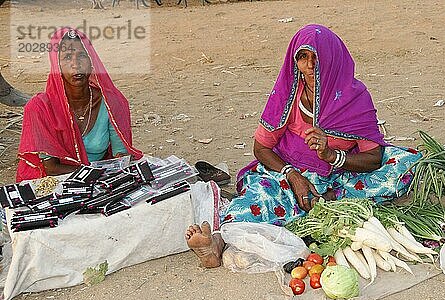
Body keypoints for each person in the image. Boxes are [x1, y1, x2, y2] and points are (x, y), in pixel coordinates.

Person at [186, 24, 421, 267]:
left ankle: (327, 202)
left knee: (402, 165)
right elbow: (261, 149)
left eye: (316, 58)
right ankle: (215, 243)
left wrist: (332, 155)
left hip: (341, 173)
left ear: (332, 59)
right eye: (302, 57)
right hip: (288, 172)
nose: (309, 66)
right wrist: (293, 176)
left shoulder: (355, 97)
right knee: (259, 198)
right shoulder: (287, 95)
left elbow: (373, 157)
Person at [16, 27, 142, 182]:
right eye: (67, 57)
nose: (76, 64)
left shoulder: (111, 102)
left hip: (100, 181)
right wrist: (95, 173)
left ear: (91, 61)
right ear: (57, 65)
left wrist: (112, 173)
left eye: (82, 56)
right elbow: (51, 168)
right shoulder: (39, 108)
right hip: (56, 183)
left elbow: (120, 156)